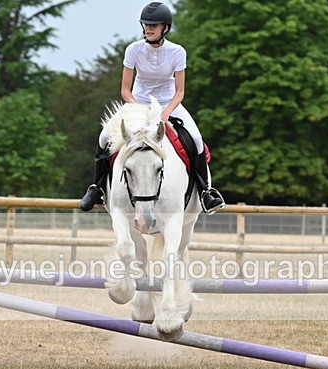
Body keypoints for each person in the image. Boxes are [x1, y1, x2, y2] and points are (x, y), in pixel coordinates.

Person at [79, 1, 225, 214]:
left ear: (165, 27)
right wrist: (139, 109)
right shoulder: (133, 50)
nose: (148, 28)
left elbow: (180, 92)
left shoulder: (177, 52)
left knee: (195, 139)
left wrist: (165, 113)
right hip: (137, 103)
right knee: (104, 137)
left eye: (154, 25)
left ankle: (205, 192)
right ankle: (97, 188)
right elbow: (125, 91)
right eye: (146, 25)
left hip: (169, 104)